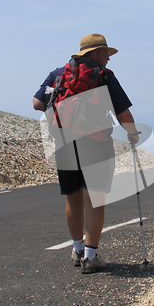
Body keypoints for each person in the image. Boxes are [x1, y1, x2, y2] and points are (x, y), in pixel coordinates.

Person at [33, 34, 139, 274]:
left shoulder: (58, 74)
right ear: (93, 54)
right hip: (96, 143)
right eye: (105, 54)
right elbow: (123, 113)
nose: (108, 59)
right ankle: (91, 256)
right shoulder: (103, 77)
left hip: (64, 142)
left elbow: (36, 103)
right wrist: (133, 134)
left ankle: (77, 249)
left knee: (73, 197)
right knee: (95, 199)